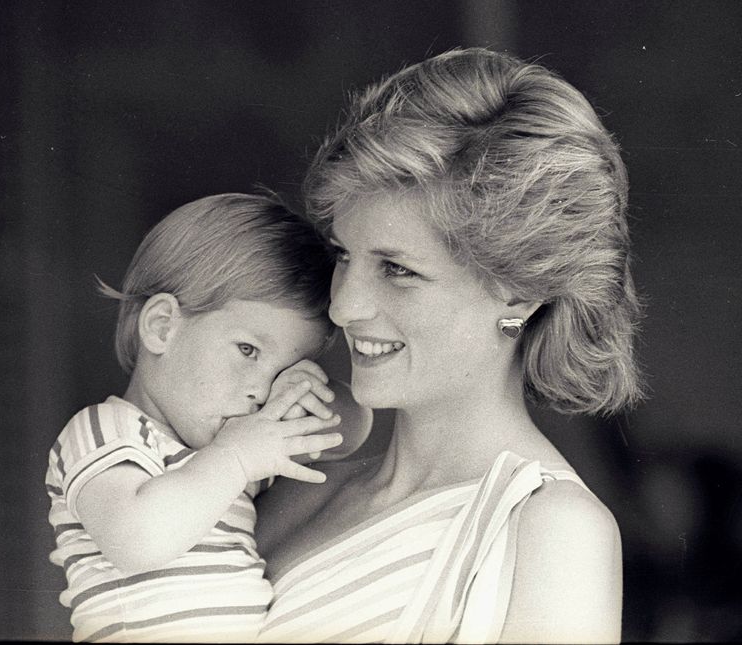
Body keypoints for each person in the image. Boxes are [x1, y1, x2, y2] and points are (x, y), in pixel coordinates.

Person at [254, 47, 644, 644]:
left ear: (519, 292)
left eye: (397, 270)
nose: (342, 306)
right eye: (343, 256)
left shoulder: (551, 528)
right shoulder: (302, 487)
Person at [44, 193, 372, 643]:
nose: (262, 390)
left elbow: (350, 432)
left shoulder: (237, 443)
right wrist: (235, 458)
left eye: (280, 369)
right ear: (163, 326)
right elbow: (137, 540)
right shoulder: (104, 431)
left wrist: (302, 393)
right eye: (248, 350)